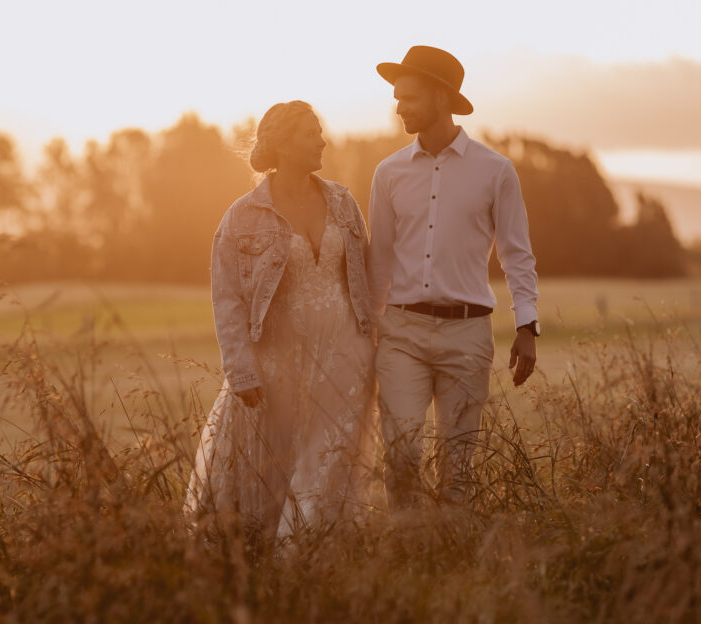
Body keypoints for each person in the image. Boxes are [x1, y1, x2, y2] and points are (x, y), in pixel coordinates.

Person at [185, 101, 375, 538]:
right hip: (276, 364)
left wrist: (374, 347)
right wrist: (240, 367)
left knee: (324, 468)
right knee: (269, 471)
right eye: (312, 133)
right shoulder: (242, 217)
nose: (322, 140)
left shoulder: (344, 204)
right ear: (283, 144)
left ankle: (301, 559)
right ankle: (261, 561)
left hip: (345, 359)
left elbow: (366, 277)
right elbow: (227, 298)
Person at [368, 46, 540, 509]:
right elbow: (379, 262)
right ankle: (404, 554)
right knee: (401, 454)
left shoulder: (496, 171)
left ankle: (451, 559)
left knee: (457, 466)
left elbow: (516, 253)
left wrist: (527, 325)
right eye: (397, 98)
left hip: (467, 335)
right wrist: (367, 331)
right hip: (401, 333)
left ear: (442, 97)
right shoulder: (387, 174)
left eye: (409, 98)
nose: (398, 107)